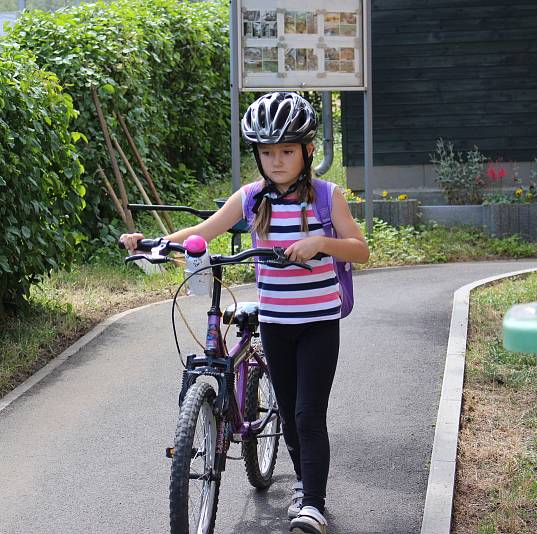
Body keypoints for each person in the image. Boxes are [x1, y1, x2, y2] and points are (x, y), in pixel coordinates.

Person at [120, 92, 370, 534]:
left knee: (308, 414)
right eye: (268, 152)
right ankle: (303, 486)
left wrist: (320, 243)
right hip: (275, 324)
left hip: (317, 324)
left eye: (287, 151)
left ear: (307, 151)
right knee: (290, 412)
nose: (277, 161)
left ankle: (312, 502)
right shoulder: (252, 198)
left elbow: (361, 250)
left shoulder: (330, 197)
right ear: (257, 155)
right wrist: (150, 244)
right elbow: (203, 232)